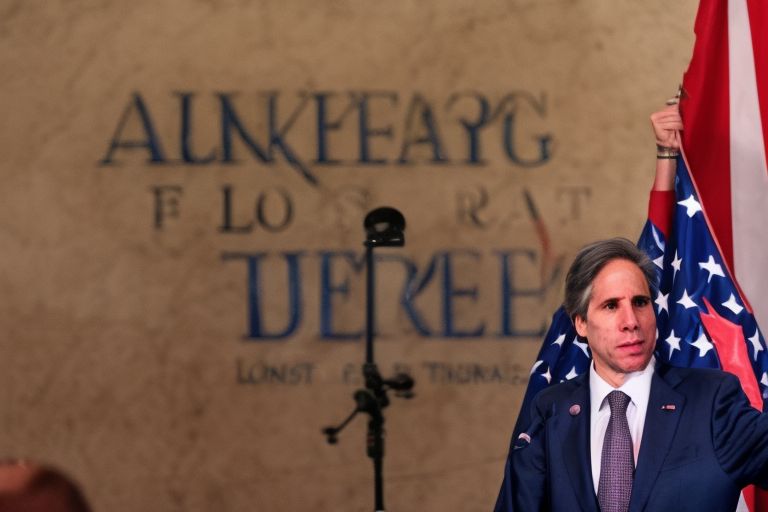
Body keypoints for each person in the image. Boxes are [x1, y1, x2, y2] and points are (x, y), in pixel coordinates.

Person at [494, 105, 768, 512]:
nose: (631, 322)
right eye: (610, 306)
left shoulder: (712, 401)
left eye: (640, 302)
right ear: (581, 323)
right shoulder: (550, 412)